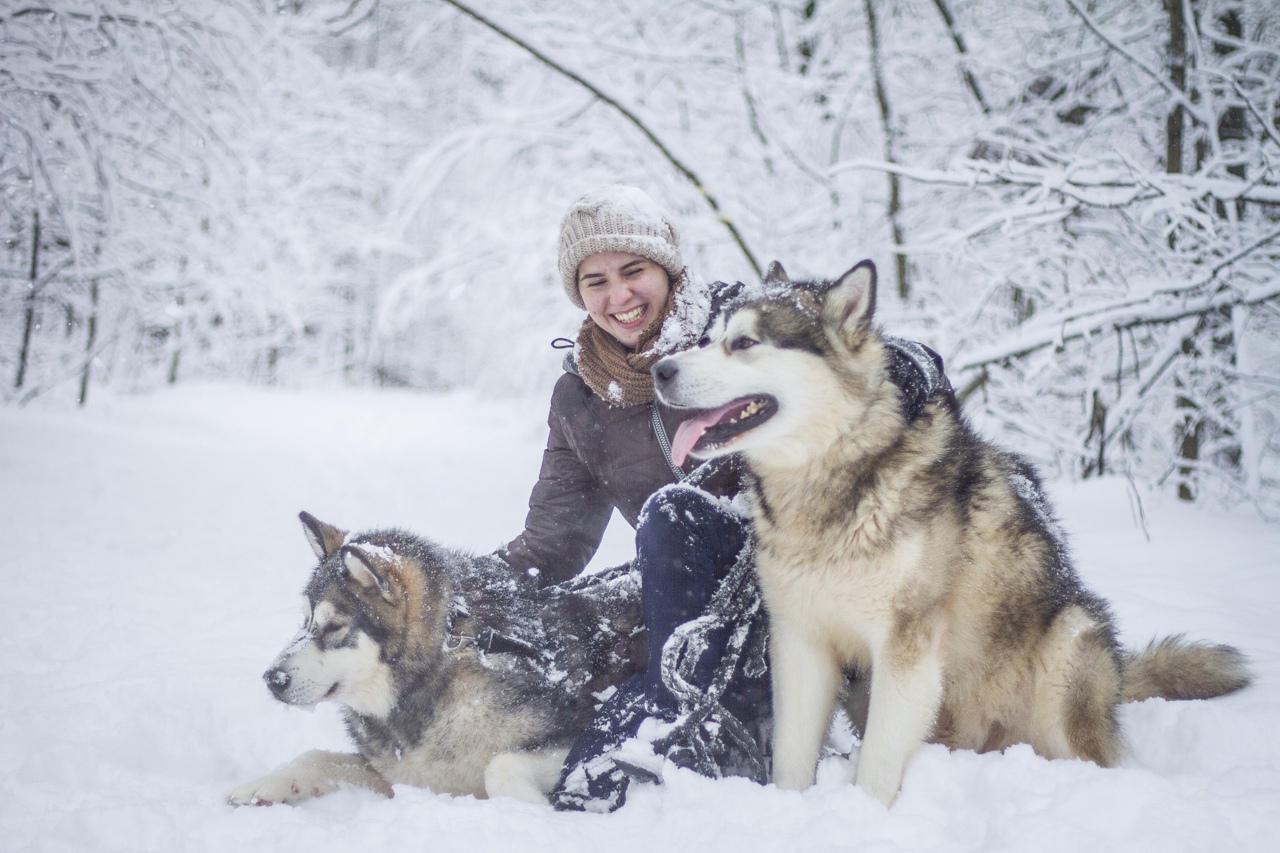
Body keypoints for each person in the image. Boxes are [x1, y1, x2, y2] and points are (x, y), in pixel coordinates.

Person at [496, 185, 949, 812]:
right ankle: (630, 734)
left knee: (672, 514)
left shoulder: (738, 323)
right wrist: (461, 590)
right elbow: (553, 540)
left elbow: (902, 361)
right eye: (595, 281)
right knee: (582, 610)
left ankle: (690, 720)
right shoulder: (581, 398)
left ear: (669, 269)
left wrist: (867, 372)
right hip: (682, 587)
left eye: (634, 271)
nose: (618, 296)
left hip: (793, 570)